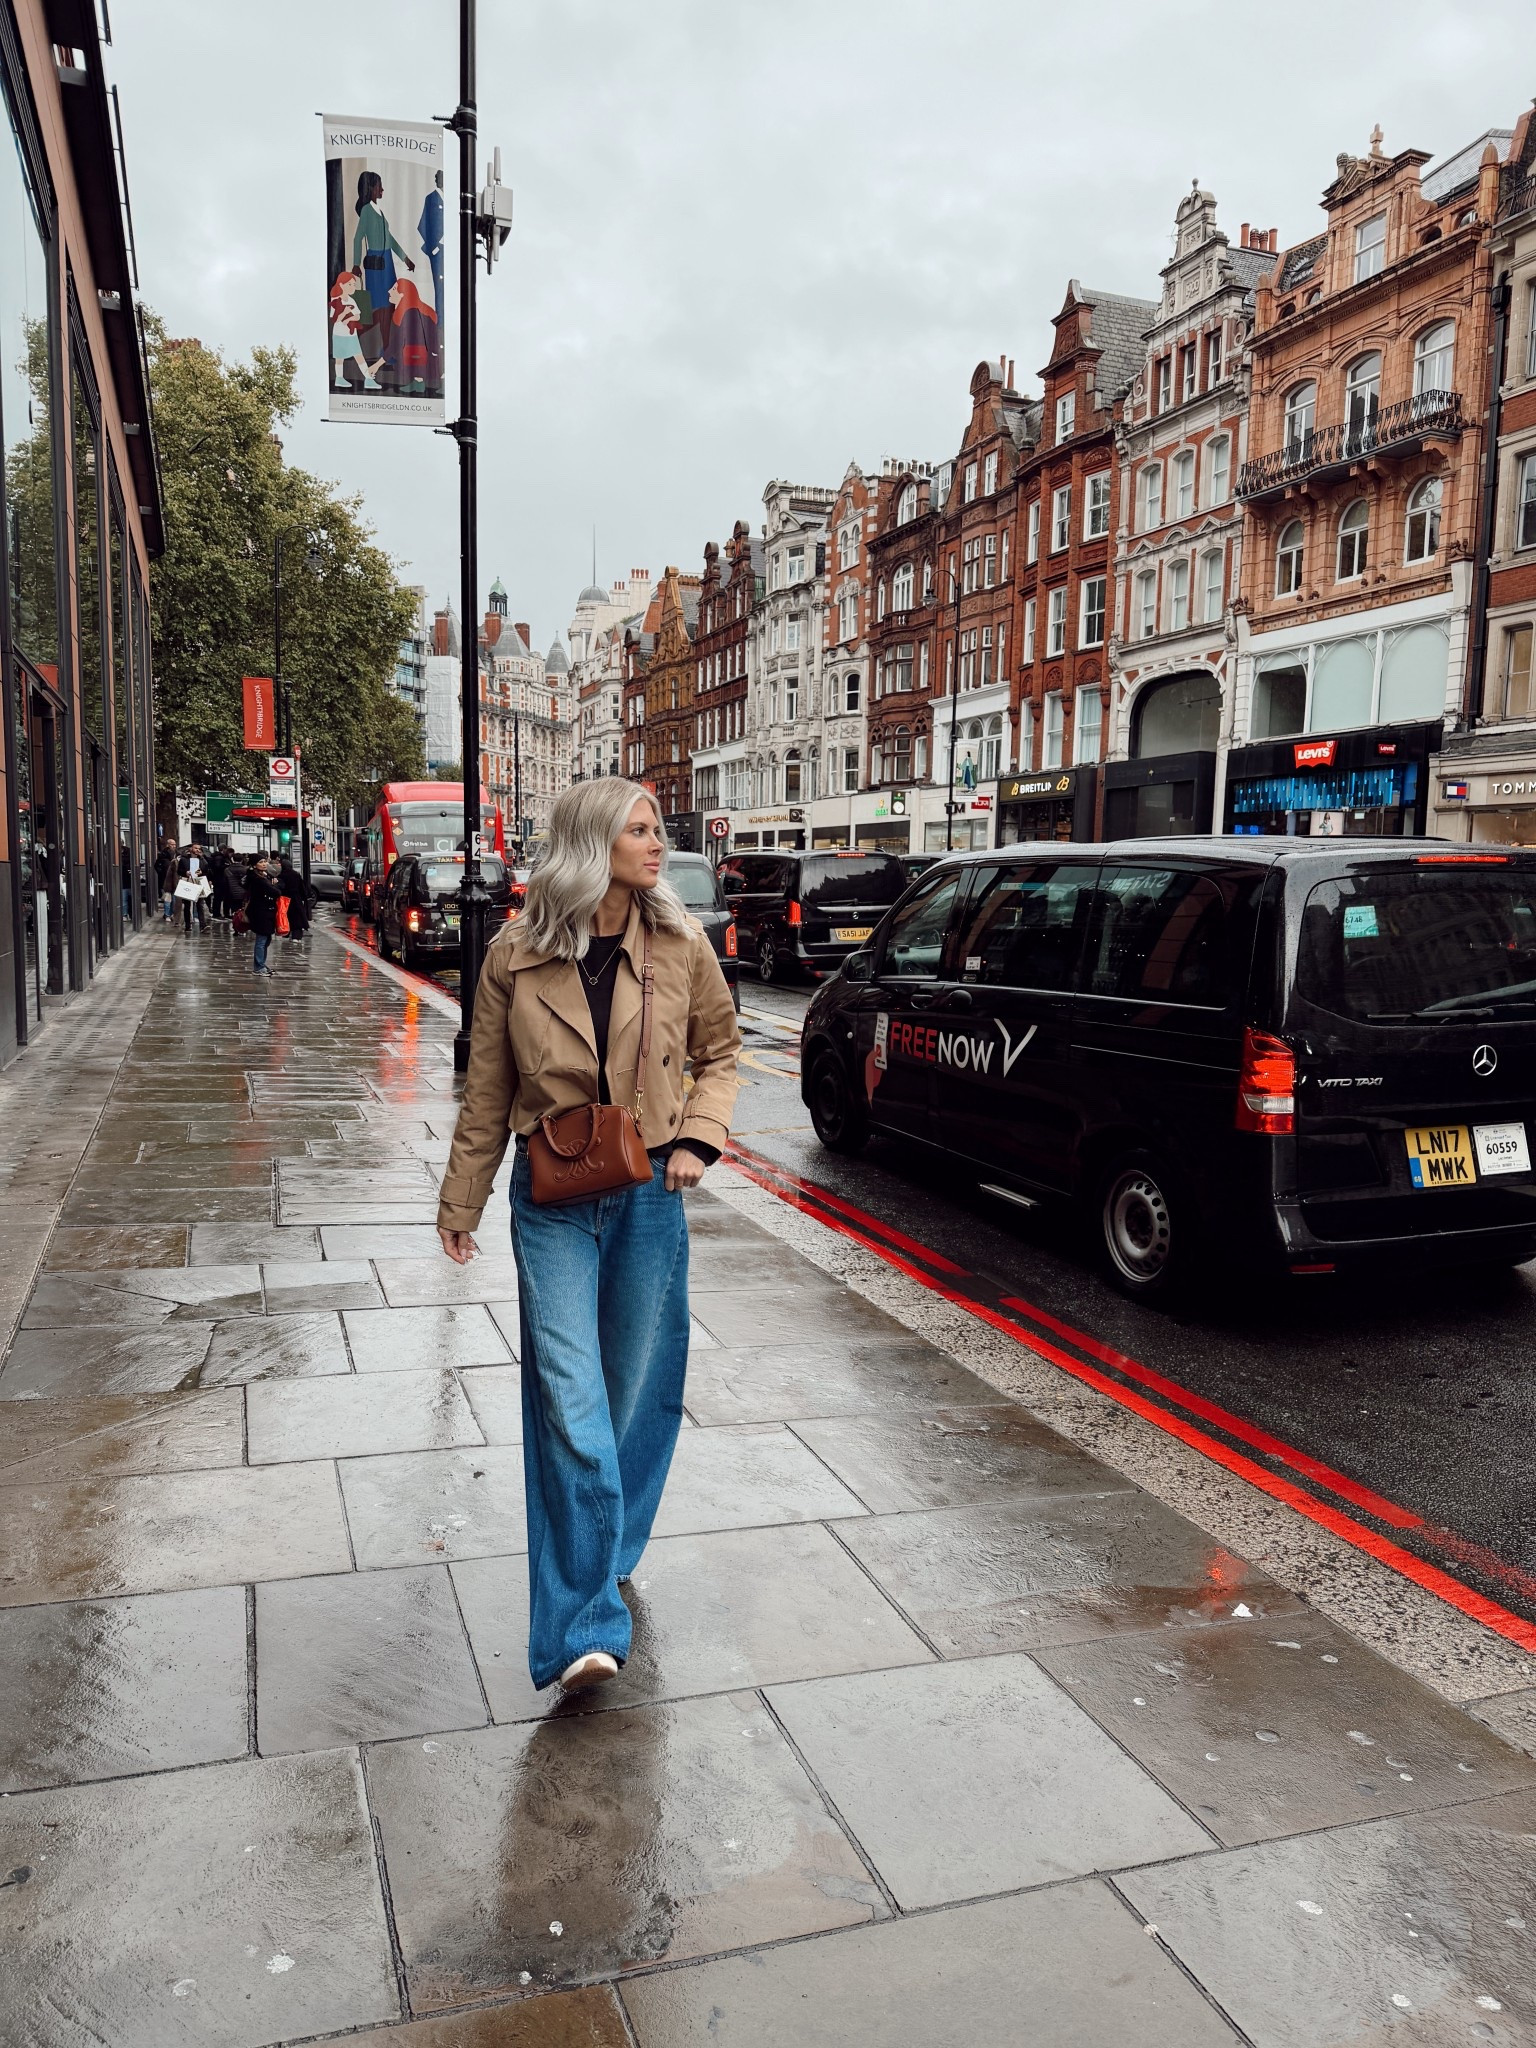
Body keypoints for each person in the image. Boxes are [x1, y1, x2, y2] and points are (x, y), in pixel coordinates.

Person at [436, 780, 740, 1695]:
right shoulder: (513, 955)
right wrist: (462, 1202)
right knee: (570, 1402)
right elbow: (486, 1088)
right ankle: (583, 1628)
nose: (657, 841)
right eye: (640, 829)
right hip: (554, 1196)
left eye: (658, 826)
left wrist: (696, 1138)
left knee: (638, 1392)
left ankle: (607, 1546)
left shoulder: (682, 943)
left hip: (649, 1191)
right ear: (589, 842)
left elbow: (721, 1053)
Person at [245, 858, 280, 974]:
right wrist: (274, 885)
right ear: (254, 865)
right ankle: (259, 967)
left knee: (266, 939)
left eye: (265, 861)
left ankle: (261, 964)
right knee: (262, 939)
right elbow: (275, 893)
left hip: (264, 911)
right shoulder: (258, 879)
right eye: (260, 862)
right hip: (261, 912)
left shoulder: (262, 877)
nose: (264, 864)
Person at [174, 844, 209, 934]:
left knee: (200, 905)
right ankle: (187, 925)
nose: (197, 850)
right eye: (195, 848)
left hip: (198, 882)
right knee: (187, 905)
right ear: (191, 849)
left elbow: (207, 870)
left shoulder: (202, 859)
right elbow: (179, 871)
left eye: (199, 848)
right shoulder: (184, 859)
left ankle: (203, 925)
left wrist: (202, 872)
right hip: (188, 882)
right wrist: (186, 873)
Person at [277, 852, 311, 937]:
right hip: (296, 899)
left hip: (285, 899)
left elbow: (279, 888)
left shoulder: (281, 875)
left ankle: (286, 933)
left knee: (286, 916)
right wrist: (304, 897)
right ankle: (296, 936)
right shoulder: (296, 874)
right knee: (297, 918)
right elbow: (301, 887)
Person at [156, 841, 179, 921]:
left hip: (175, 879)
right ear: (168, 845)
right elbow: (157, 865)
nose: (174, 846)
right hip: (166, 880)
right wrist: (162, 873)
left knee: (174, 899)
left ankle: (172, 913)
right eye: (172, 844)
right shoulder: (163, 855)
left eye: (174, 844)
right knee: (167, 898)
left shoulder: (178, 855)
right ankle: (167, 914)